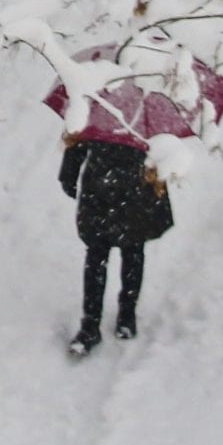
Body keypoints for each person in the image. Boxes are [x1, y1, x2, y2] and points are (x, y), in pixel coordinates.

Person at [58, 137, 173, 356]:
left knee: (100, 257)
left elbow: (79, 139)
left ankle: (92, 325)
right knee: (128, 253)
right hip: (126, 189)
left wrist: (70, 175)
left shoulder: (99, 107)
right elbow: (162, 148)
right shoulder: (144, 110)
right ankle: (124, 317)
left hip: (107, 186)